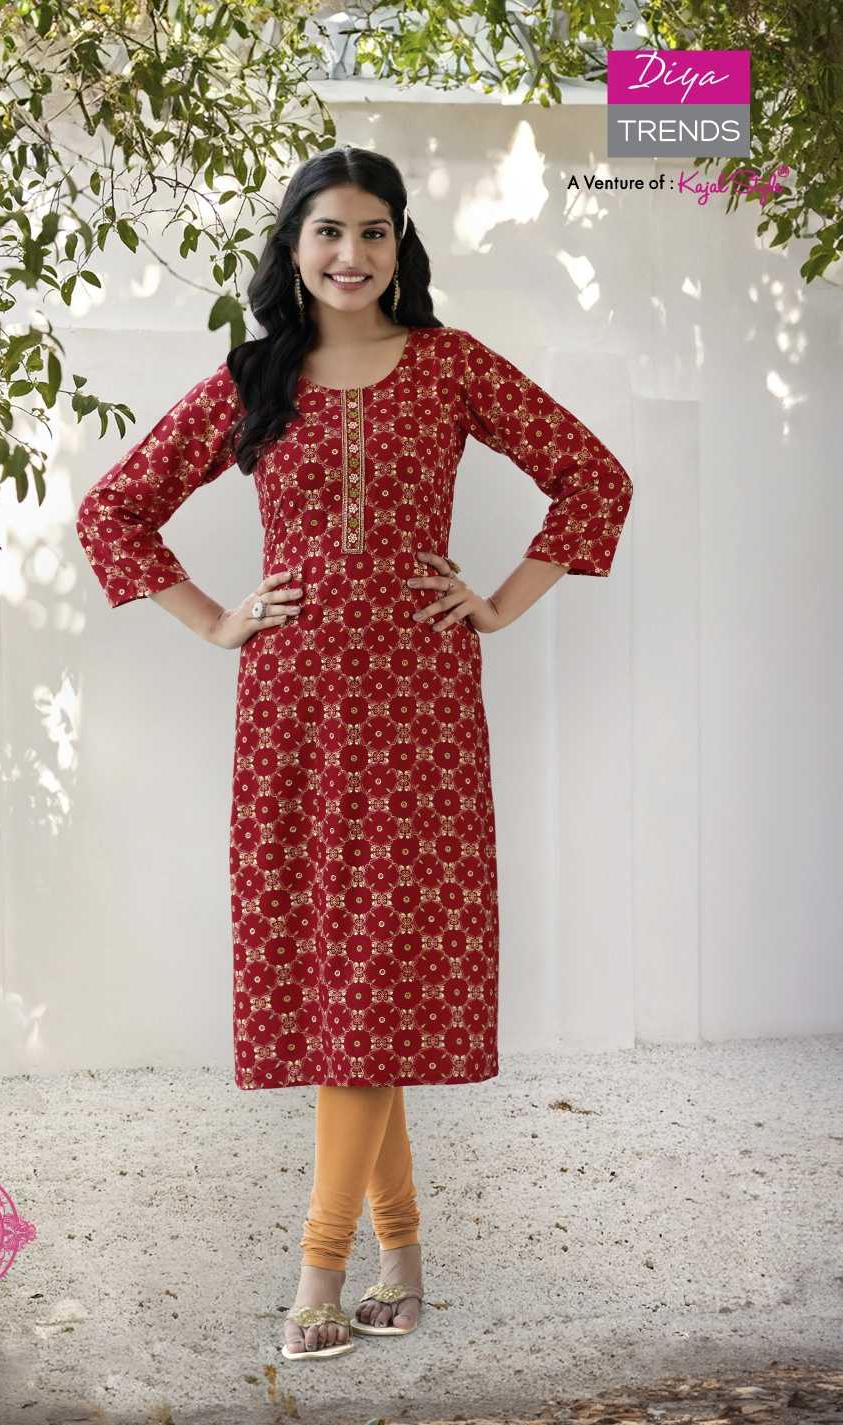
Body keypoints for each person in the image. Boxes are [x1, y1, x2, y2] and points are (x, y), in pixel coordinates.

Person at [75, 146, 634, 1363]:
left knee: (375, 984)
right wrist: (216, 620)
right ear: (293, 246)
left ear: (399, 247)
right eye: (328, 230)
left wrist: (499, 603)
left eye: (374, 232)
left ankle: (318, 1276)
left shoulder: (451, 365)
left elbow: (593, 477)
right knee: (345, 990)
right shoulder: (255, 378)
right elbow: (112, 510)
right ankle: (406, 1265)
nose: (351, 253)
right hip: (294, 715)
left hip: (422, 716)